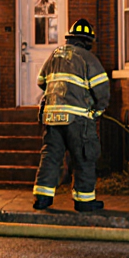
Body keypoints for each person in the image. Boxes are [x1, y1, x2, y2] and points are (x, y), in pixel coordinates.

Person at [32, 19, 110, 213]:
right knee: (84, 156)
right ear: (87, 41)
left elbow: (41, 81)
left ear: (70, 38)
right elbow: (102, 89)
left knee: (51, 156)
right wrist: (97, 110)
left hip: (52, 117)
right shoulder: (88, 58)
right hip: (78, 119)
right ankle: (84, 201)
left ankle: (42, 197)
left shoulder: (55, 55)